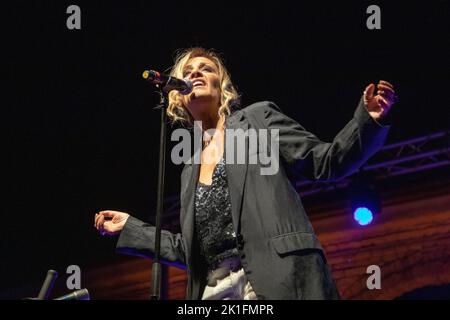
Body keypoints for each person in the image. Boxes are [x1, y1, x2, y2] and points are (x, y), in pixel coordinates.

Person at [94, 47, 396, 300]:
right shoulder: (189, 170)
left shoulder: (257, 120)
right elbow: (191, 249)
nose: (195, 73)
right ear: (176, 96)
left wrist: (366, 123)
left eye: (206, 68)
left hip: (275, 278)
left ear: (221, 85)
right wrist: (131, 228)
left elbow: (325, 162)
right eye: (187, 71)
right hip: (213, 289)